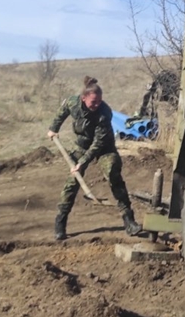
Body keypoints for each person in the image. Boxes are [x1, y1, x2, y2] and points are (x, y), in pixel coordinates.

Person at [47, 76, 142, 241]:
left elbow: (98, 143)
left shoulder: (104, 113)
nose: (97, 104)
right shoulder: (73, 103)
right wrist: (53, 129)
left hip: (104, 148)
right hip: (82, 146)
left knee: (113, 172)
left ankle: (129, 220)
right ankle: (60, 222)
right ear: (83, 98)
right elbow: (61, 113)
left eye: (99, 101)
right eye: (93, 101)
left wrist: (82, 163)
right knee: (72, 182)